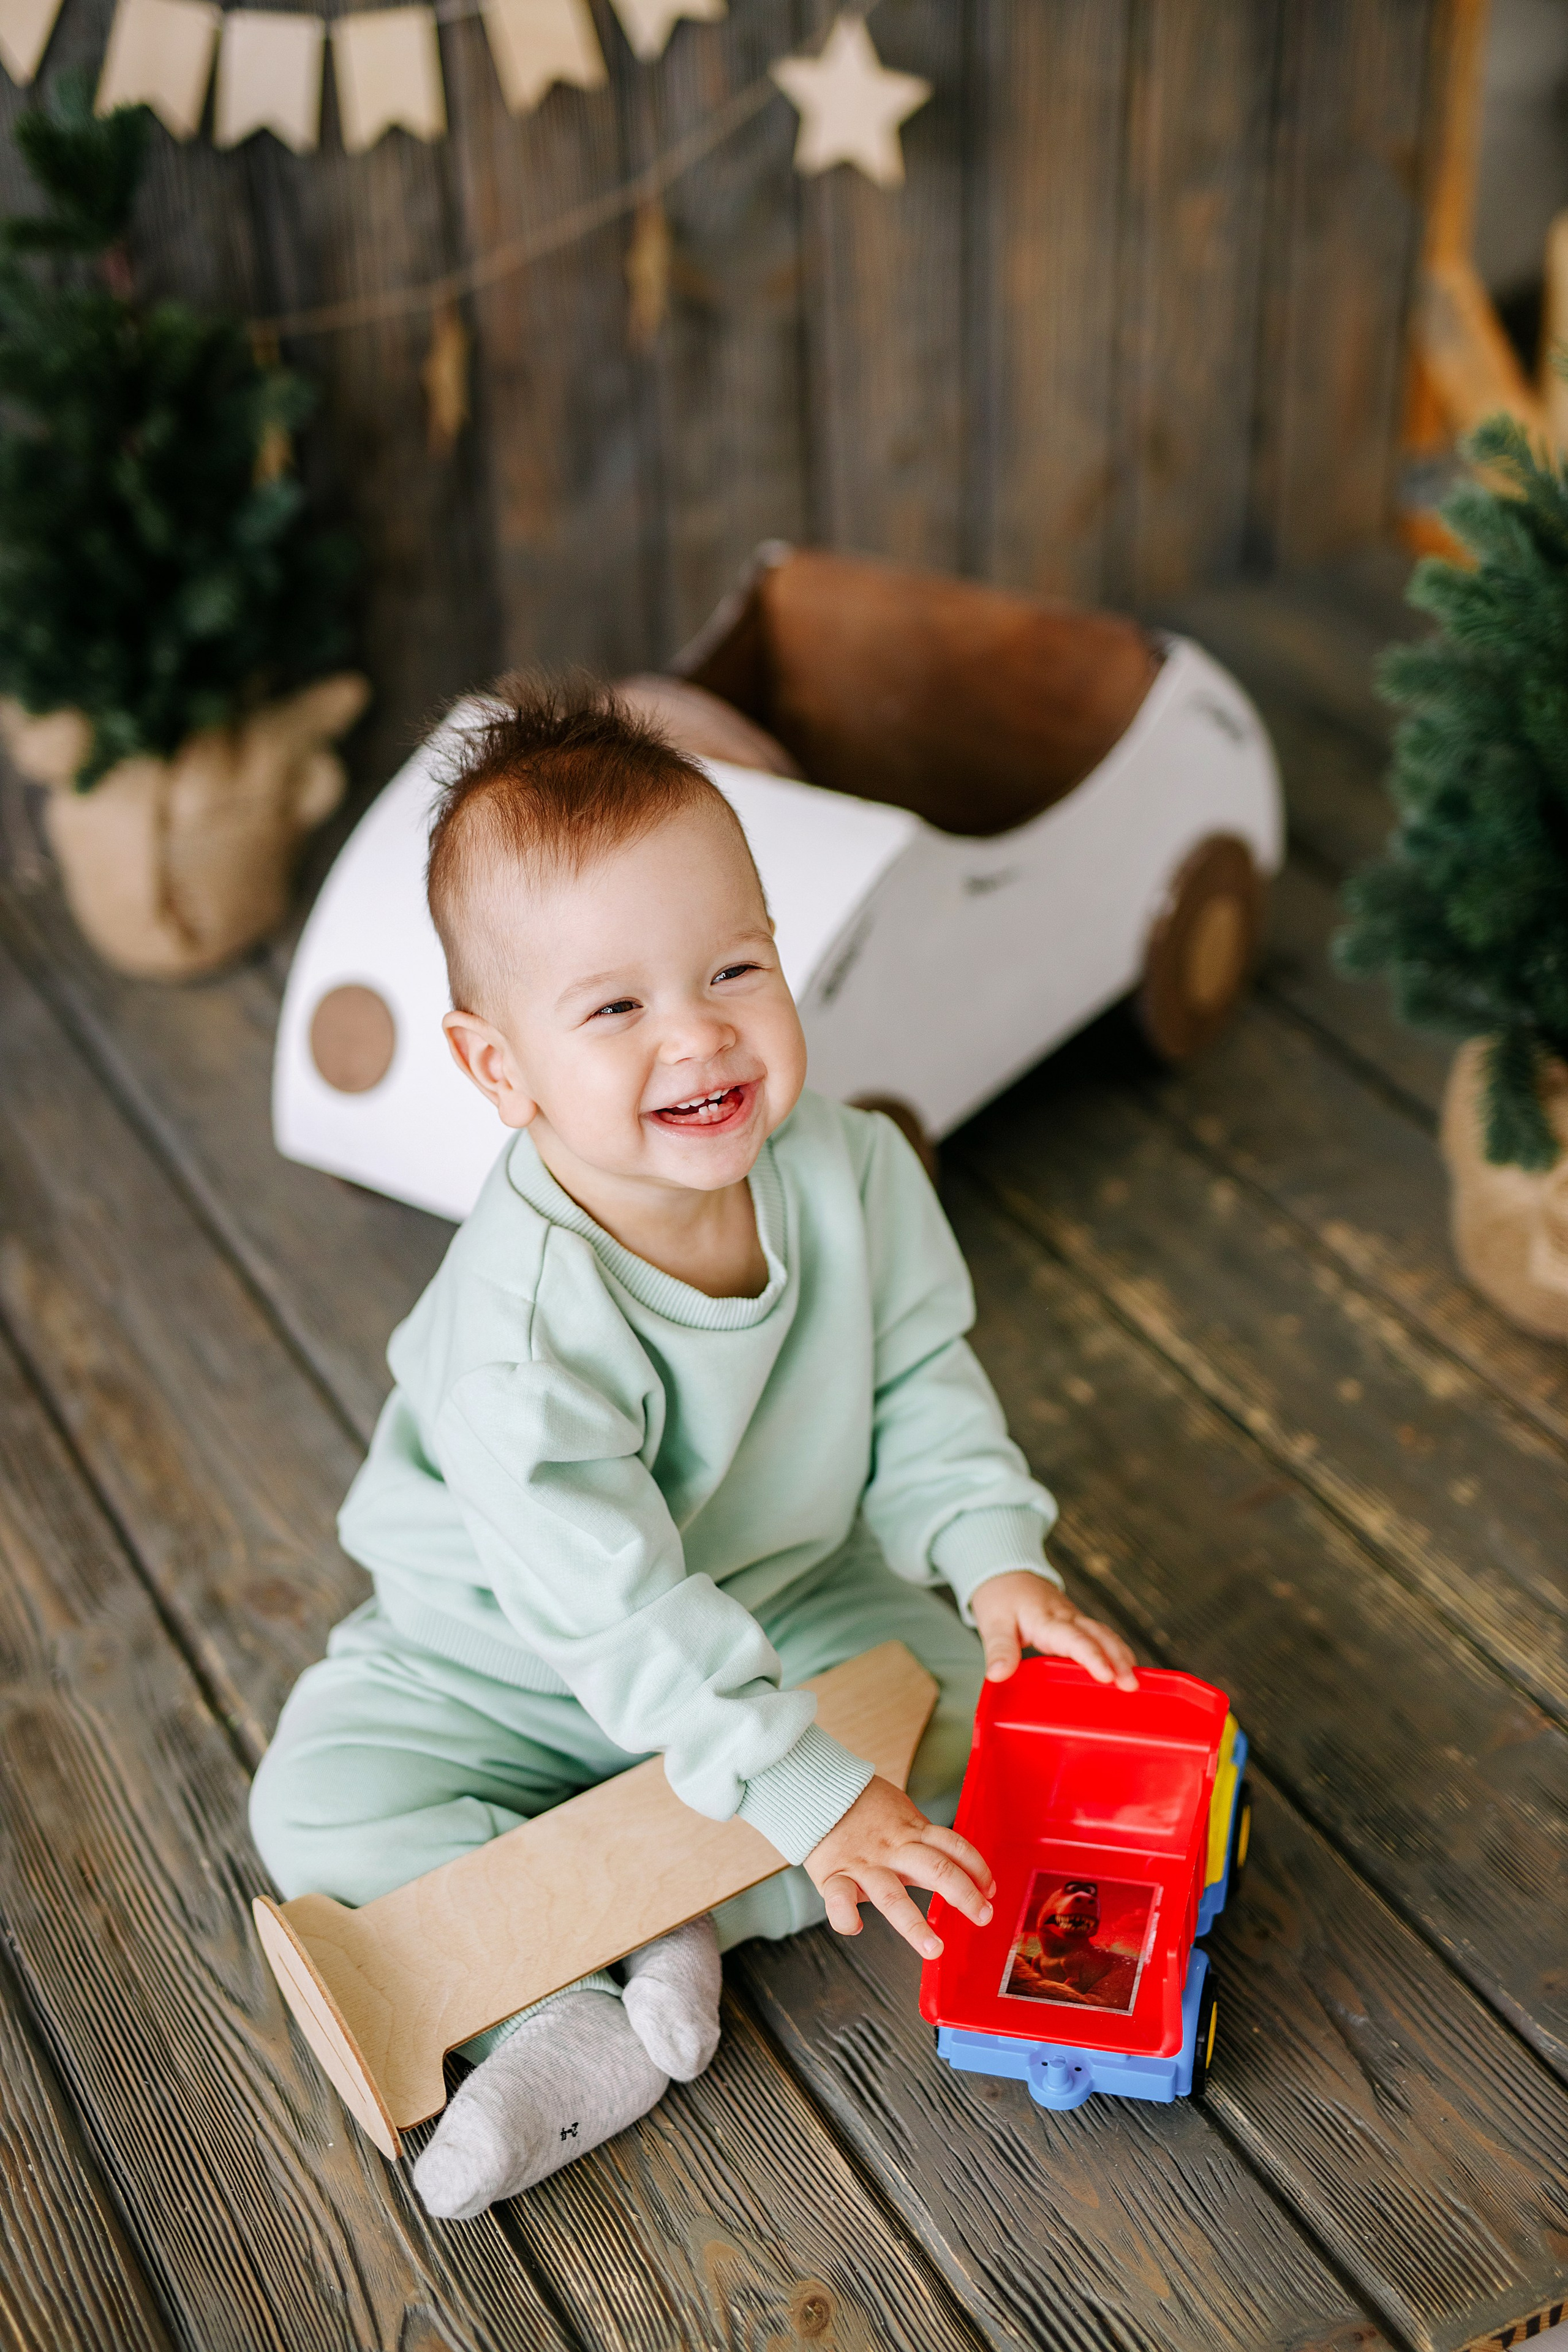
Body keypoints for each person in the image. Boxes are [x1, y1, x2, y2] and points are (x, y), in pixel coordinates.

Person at [250, 682, 1137, 2219]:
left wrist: (991, 1550)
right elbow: (615, 1617)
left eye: (735, 966)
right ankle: (562, 2014)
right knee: (312, 1805)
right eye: (616, 1008)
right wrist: (800, 1786)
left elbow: (922, 1381)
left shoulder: (851, 1173)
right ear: (498, 1071)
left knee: (975, 1726)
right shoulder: (520, 1335)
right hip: (496, 1669)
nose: (700, 1033)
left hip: (775, 1599)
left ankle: (681, 1904)